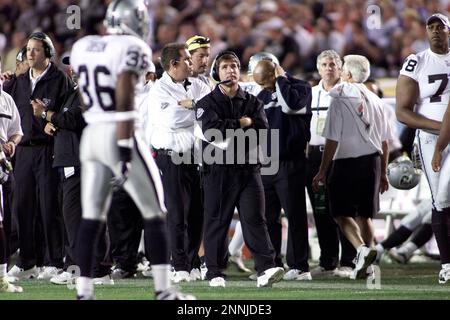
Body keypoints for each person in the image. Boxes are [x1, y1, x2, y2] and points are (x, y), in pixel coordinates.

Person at [70, 0, 195, 300]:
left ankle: (84, 292)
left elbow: (85, 97)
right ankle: (163, 289)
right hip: (119, 132)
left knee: (92, 216)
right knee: (156, 212)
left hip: (92, 134)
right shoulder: (132, 47)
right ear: (136, 19)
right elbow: (125, 91)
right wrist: (125, 149)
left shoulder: (83, 45)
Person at [196, 50, 284, 288]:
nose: (231, 70)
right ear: (217, 72)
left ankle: (266, 268)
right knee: (217, 221)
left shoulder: (253, 102)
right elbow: (211, 131)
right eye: (225, 66)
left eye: (234, 66)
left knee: (255, 219)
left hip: (248, 169)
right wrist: (242, 124)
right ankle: (214, 272)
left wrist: (232, 131)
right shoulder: (206, 103)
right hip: (218, 171)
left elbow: (261, 133)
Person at [312, 54, 392, 280]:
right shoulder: (377, 100)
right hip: (373, 162)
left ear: (347, 74)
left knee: (341, 215)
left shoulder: (338, 96)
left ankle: (362, 250)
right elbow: (385, 142)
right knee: (365, 215)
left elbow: (332, 139)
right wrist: (383, 172)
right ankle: (366, 266)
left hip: (346, 162)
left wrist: (322, 170)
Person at [6, 31, 71, 281]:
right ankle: (27, 262)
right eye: (28, 49)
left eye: (36, 50)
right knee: (23, 206)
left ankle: (54, 261)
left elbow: (67, 115)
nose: (30, 54)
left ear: (48, 54)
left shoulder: (59, 80)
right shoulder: (19, 81)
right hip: (22, 151)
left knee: (49, 206)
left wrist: (49, 120)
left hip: (47, 149)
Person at [148, 43, 210, 283]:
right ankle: (179, 265)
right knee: (177, 213)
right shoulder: (158, 89)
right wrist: (199, 109)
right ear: (173, 65)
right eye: (186, 59)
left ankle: (193, 263)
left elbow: (214, 110)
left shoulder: (198, 85)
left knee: (197, 213)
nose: (190, 62)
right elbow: (171, 119)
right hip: (171, 157)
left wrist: (192, 107)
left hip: (196, 157)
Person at [396, 13, 450, 284]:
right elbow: (402, 112)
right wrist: (441, 127)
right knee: (440, 200)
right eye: (431, 27)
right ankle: (447, 263)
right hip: (431, 138)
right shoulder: (416, 61)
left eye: (441, 26)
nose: (436, 31)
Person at [252, 59, 313, 280]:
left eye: (266, 82)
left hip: (290, 161)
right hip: (266, 163)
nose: (265, 88)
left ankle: (300, 266)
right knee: (268, 217)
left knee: (295, 214)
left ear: (275, 73)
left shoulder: (300, 87)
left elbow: (291, 106)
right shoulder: (262, 96)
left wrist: (279, 80)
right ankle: (273, 263)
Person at [307, 50, 356, 278]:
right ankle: (328, 261)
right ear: (318, 68)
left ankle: (349, 261)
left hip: (340, 156)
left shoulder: (347, 92)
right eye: (324, 64)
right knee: (321, 210)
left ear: (340, 67)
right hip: (314, 157)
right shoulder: (310, 93)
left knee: (343, 209)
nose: (329, 68)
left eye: (333, 64)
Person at [0, 55, 24, 293]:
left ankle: (2, 272)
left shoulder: (6, 99)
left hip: (5, 166)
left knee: (6, 221)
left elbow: (17, 131)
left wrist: (12, 143)